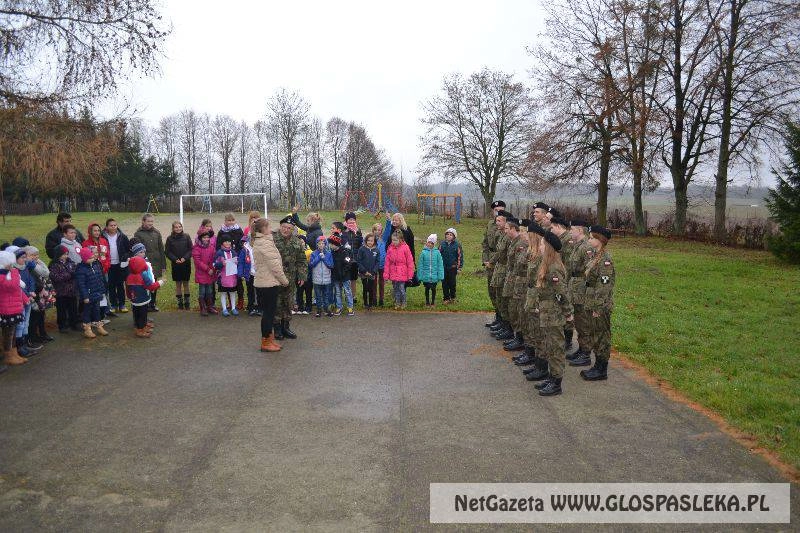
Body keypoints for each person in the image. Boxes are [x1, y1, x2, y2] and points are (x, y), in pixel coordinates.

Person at [528, 231, 573, 397]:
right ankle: (551, 377)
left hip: (554, 314)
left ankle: (556, 383)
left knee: (556, 349)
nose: (539, 246)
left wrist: (568, 314)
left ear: (547, 247)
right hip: (547, 312)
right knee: (549, 346)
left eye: (541, 244)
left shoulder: (554, 268)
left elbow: (562, 294)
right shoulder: (546, 265)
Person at [579, 225, 615, 381]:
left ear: (600, 240)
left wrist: (598, 307)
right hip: (592, 300)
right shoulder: (596, 256)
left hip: (599, 304)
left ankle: (602, 369)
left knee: (601, 336)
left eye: (592, 237)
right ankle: (597, 366)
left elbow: (604, 286)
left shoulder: (605, 260)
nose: (589, 239)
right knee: (595, 334)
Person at [251, 218, 289, 352]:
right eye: (269, 227)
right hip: (267, 284)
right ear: (263, 229)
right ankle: (266, 342)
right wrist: (284, 281)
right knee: (268, 314)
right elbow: (275, 266)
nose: (271, 229)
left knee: (269, 313)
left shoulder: (263, 240)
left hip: (266, 282)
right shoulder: (264, 244)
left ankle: (269, 339)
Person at [565, 221, 595, 367]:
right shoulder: (577, 245)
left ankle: (586, 352)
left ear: (580, 230)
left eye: (572, 229)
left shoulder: (587, 247)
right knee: (578, 319)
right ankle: (581, 348)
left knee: (583, 320)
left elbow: (591, 270)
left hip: (582, 287)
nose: (570, 232)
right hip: (575, 285)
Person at [272, 216, 307, 339]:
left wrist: (302, 275)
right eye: (284, 227)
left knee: (288, 303)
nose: (286, 230)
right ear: (280, 226)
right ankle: (276, 329)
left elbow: (302, 260)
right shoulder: (272, 239)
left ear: (292, 229)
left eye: (289, 228)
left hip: (290, 278)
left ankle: (285, 327)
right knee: (276, 303)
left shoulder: (296, 241)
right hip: (275, 278)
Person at [9, 247, 42, 356]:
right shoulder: (14, 270)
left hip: (29, 298)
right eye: (22, 258)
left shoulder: (26, 268)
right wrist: (28, 295)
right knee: (20, 324)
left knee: (26, 322)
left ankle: (25, 343)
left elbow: (31, 280)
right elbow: (19, 286)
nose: (25, 259)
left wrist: (32, 290)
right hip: (21, 300)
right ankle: (20, 346)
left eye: (25, 257)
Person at [0, 250, 29, 366]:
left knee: (12, 332)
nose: (12, 266)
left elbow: (18, 289)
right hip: (6, 309)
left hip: (14, 307)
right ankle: (8, 355)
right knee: (8, 333)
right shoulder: (3, 275)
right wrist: (15, 273)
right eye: (10, 263)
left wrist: (25, 299)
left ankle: (14, 353)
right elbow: (12, 286)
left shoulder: (9, 273)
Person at [291, 207, 321, 314]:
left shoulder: (318, 231)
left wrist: (305, 241)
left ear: (313, 221)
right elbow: (299, 223)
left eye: (308, 221)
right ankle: (300, 305)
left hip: (312, 258)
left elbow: (317, 245)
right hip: (305, 258)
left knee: (309, 284)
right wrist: (294, 213)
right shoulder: (309, 229)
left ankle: (312, 303)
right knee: (301, 285)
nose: (307, 223)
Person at [487, 211, 512, 340]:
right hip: (499, 267)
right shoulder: (501, 234)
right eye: (496, 221)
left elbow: (502, 253)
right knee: (499, 297)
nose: (496, 223)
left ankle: (508, 327)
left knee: (504, 299)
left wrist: (491, 262)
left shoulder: (508, 237)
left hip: (504, 268)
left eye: (499, 221)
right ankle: (503, 323)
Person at [134, 213, 166, 312]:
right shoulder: (138, 234)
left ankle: (152, 303)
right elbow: (138, 251)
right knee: (146, 283)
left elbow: (161, 249)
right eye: (148, 221)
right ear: (143, 221)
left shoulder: (157, 232)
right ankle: (146, 304)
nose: (150, 223)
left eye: (152, 221)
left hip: (156, 263)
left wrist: (163, 264)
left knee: (154, 283)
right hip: (144, 264)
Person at [126, 256, 165, 338]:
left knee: (136, 315)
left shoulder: (129, 276)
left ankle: (139, 327)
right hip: (143, 300)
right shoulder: (143, 275)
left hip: (134, 301)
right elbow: (151, 286)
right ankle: (141, 329)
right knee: (143, 315)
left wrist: (129, 296)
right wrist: (160, 282)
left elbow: (128, 288)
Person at [75, 247, 109, 339]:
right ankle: (87, 329)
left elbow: (100, 279)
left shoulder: (95, 265)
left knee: (97, 310)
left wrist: (102, 290)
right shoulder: (81, 270)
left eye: (92, 257)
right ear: (84, 258)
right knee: (87, 312)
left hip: (97, 293)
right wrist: (85, 296)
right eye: (90, 258)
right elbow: (81, 285)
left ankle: (99, 326)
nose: (93, 259)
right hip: (88, 296)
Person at [482, 200, 506, 327]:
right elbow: (485, 243)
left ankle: (503, 320)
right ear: (493, 211)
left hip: (501, 261)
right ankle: (498, 317)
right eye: (496, 210)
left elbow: (503, 249)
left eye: (501, 210)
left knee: (500, 291)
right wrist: (485, 260)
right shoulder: (490, 224)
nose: (498, 212)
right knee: (492, 290)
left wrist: (492, 261)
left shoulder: (507, 225)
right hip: (490, 260)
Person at [25, 246, 55, 343]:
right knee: (34, 316)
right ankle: (33, 336)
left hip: (40, 291)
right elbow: (33, 279)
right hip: (34, 292)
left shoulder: (36, 263)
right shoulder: (28, 266)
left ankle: (42, 333)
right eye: (32, 255)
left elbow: (46, 273)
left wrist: (39, 261)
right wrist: (40, 288)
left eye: (37, 254)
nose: (35, 257)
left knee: (41, 314)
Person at [82, 222, 112, 318]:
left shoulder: (104, 241)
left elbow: (107, 255)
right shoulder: (86, 244)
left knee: (105, 289)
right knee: (96, 291)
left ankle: (106, 309)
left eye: (98, 230)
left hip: (104, 271)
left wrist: (106, 266)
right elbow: (85, 258)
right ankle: (97, 312)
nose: (97, 232)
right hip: (93, 272)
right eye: (95, 230)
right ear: (90, 231)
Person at [217, 213, 246, 311]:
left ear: (235, 221)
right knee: (228, 281)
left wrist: (237, 256)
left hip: (236, 259)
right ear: (225, 221)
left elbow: (242, 243)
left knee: (238, 281)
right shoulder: (221, 231)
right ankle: (230, 302)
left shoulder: (238, 230)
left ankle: (240, 301)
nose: (230, 222)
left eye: (232, 220)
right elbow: (218, 245)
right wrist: (222, 257)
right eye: (228, 220)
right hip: (226, 261)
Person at [49, 245, 80, 333]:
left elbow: (75, 272)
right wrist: (69, 275)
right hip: (61, 291)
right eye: (63, 254)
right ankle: (62, 326)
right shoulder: (54, 265)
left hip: (72, 290)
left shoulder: (70, 262)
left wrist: (73, 274)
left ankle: (73, 323)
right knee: (61, 310)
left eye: (67, 254)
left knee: (73, 309)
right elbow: (56, 277)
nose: (65, 256)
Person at [103, 218, 131, 313]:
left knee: (120, 285)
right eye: (111, 225)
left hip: (120, 264)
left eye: (115, 225)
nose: (113, 227)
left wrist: (125, 257)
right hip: (108, 265)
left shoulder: (122, 236)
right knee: (111, 285)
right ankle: (113, 305)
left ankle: (122, 304)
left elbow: (128, 250)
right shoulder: (103, 237)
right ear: (107, 227)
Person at [382, 212, 416, 287]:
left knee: (404, 282)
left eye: (396, 220)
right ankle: (396, 296)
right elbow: (388, 242)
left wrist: (413, 260)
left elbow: (411, 246)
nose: (394, 221)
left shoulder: (407, 230)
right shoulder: (392, 229)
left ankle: (402, 297)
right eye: (393, 220)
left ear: (401, 221)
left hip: (404, 259)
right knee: (395, 281)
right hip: (394, 260)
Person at [165, 221, 193, 310]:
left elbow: (191, 249)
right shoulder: (169, 239)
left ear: (182, 227)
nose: (178, 228)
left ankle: (187, 301)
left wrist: (185, 258)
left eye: (179, 226)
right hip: (176, 264)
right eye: (176, 227)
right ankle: (180, 302)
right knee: (178, 284)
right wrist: (175, 259)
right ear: (173, 228)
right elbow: (167, 252)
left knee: (186, 283)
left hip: (186, 263)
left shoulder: (187, 236)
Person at [384, 231, 415, 310]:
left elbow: (410, 262)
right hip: (393, 271)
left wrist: (410, 275)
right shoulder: (390, 248)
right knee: (395, 289)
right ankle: (397, 302)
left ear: (401, 239)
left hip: (402, 272)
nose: (394, 242)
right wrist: (386, 275)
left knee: (401, 288)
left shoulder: (405, 247)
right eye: (392, 240)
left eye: (395, 240)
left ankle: (404, 302)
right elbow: (387, 262)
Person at [192, 230, 218, 317]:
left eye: (207, 237)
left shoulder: (211, 247)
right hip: (202, 273)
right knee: (202, 291)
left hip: (210, 272)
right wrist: (207, 269)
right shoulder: (196, 248)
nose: (206, 239)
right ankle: (203, 308)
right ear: (200, 238)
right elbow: (198, 262)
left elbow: (214, 259)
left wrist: (213, 268)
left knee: (209, 291)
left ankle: (209, 307)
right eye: (204, 237)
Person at [214, 233, 240, 316]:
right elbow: (214, 265)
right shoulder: (219, 253)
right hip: (223, 277)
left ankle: (233, 308)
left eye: (229, 242)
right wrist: (222, 264)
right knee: (223, 293)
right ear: (222, 243)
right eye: (226, 242)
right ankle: (224, 309)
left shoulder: (233, 252)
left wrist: (237, 262)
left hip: (232, 277)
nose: (228, 243)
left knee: (232, 292)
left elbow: (237, 262)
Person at [328, 234, 353, 316]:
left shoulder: (345, 252)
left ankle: (350, 307)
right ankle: (339, 306)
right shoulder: (332, 252)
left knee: (347, 292)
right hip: (336, 277)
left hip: (345, 277)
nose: (330, 246)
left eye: (331, 244)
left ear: (336, 244)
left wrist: (344, 272)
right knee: (338, 292)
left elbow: (348, 264)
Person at [341, 212, 363, 304]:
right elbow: (341, 242)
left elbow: (361, 242)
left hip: (355, 259)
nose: (351, 221)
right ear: (346, 220)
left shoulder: (358, 230)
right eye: (349, 219)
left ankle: (353, 296)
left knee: (353, 278)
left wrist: (358, 234)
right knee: (346, 278)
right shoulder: (343, 230)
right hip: (347, 258)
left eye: (353, 219)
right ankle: (347, 295)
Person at [309, 235, 333, 317]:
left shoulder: (329, 254)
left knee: (326, 295)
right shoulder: (313, 254)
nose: (321, 245)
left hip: (327, 279)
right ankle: (319, 310)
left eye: (323, 243)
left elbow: (331, 265)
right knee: (318, 296)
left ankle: (327, 309)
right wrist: (318, 258)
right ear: (317, 244)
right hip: (317, 279)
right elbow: (311, 265)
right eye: (319, 243)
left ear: (325, 244)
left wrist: (324, 258)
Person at [418, 234, 444, 307]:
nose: (430, 244)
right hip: (426, 276)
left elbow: (440, 265)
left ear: (434, 244)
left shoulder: (437, 253)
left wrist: (440, 275)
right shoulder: (423, 253)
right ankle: (427, 302)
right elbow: (420, 265)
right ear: (426, 242)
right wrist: (420, 276)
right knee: (427, 289)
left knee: (433, 289)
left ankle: (433, 302)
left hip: (434, 276)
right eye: (429, 242)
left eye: (432, 243)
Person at [356, 233, 380, 310]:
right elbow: (359, 261)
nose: (370, 242)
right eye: (368, 240)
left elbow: (377, 262)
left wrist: (373, 271)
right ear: (365, 241)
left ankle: (370, 304)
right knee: (365, 288)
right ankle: (365, 303)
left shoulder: (376, 250)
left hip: (372, 273)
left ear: (374, 241)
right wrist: (364, 271)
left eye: (371, 241)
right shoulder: (362, 249)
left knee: (371, 288)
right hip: (363, 273)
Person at [439, 227, 463, 304]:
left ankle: (453, 297)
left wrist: (459, 267)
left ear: (454, 237)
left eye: (450, 235)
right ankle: (446, 298)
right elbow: (438, 256)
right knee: (444, 283)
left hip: (453, 267)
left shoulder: (457, 245)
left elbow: (460, 256)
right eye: (447, 234)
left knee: (452, 283)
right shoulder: (442, 244)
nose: (448, 236)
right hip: (443, 268)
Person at [238, 234, 260, 316]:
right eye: (253, 240)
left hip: (259, 274)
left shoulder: (259, 249)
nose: (254, 242)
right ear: (249, 240)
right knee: (250, 292)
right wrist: (241, 273)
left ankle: (259, 308)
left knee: (259, 292)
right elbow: (241, 262)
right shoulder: (245, 250)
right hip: (249, 274)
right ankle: (251, 308)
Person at [370, 222, 387, 306]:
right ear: (373, 230)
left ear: (381, 231)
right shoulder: (370, 240)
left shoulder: (384, 239)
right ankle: (374, 299)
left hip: (382, 264)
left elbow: (388, 230)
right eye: (376, 229)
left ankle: (381, 299)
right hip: (373, 265)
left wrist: (387, 220)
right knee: (374, 282)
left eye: (379, 230)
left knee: (382, 282)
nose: (377, 231)